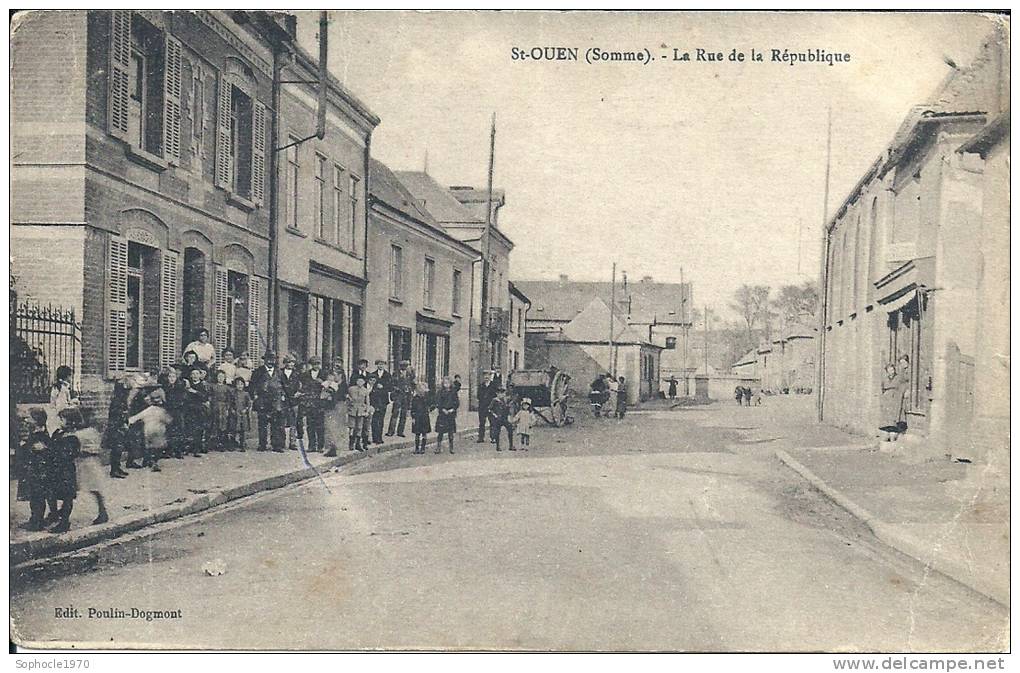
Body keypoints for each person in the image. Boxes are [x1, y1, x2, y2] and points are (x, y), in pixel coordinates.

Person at [17, 408, 54, 531]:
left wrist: (25, 446)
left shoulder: (41, 434)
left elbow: (40, 449)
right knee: (35, 496)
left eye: (29, 418)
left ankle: (37, 521)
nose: (26, 420)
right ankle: (36, 519)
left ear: (36, 420)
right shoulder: (37, 432)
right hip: (35, 470)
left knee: (37, 496)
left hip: (39, 471)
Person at [250, 351, 287, 452]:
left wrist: (283, 396)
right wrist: (255, 397)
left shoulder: (280, 372)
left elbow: (285, 386)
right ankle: (262, 444)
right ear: (264, 360)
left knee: (276, 424)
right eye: (269, 359)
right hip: (263, 401)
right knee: (262, 424)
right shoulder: (258, 372)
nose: (271, 361)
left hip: (276, 402)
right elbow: (251, 387)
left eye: (273, 359)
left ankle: (276, 445)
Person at [128, 389, 171, 472]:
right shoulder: (161, 411)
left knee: (151, 448)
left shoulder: (149, 410)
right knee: (157, 448)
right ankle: (153, 463)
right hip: (158, 432)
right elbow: (168, 420)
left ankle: (149, 461)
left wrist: (130, 421)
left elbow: (136, 417)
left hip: (149, 431)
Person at [322, 357, 348, 457]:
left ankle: (336, 447)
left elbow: (342, 395)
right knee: (330, 427)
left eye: (335, 375)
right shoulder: (331, 384)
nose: (334, 377)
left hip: (339, 406)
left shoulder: (342, 384)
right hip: (331, 406)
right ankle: (331, 447)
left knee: (336, 427)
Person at [299, 357, 326, 453]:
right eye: (314, 364)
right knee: (310, 425)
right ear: (311, 364)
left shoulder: (325, 374)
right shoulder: (305, 375)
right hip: (309, 403)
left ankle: (320, 446)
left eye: (318, 363)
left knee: (320, 425)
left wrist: (323, 383)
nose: (316, 366)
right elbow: (302, 387)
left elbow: (331, 386)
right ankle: (311, 446)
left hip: (320, 404)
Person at [160, 366, 187, 459]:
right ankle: (168, 450)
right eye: (170, 377)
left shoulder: (180, 387)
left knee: (179, 431)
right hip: (168, 411)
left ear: (176, 378)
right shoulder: (165, 387)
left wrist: (177, 405)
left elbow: (182, 399)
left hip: (178, 411)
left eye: (173, 377)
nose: (171, 379)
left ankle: (178, 451)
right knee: (168, 430)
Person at [386, 360, 414, 438]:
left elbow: (412, 383)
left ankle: (400, 431)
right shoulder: (396, 374)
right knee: (395, 413)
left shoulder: (410, 374)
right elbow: (391, 384)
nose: (404, 368)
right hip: (398, 396)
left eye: (406, 366)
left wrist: (410, 390)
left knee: (403, 414)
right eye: (403, 366)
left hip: (406, 396)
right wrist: (396, 389)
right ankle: (391, 431)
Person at [879, 362, 907, 441]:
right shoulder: (885, 379)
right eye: (890, 370)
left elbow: (903, 386)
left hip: (895, 396)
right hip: (887, 398)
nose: (892, 371)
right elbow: (882, 388)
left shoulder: (898, 378)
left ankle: (894, 429)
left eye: (893, 369)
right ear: (887, 371)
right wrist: (884, 396)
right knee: (887, 414)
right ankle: (887, 429)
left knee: (895, 413)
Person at [207, 368, 233, 452]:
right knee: (214, 424)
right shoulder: (213, 386)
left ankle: (222, 444)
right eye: (219, 376)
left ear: (225, 378)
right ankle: (214, 443)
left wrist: (227, 409)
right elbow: (210, 396)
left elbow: (229, 399)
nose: (220, 378)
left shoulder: (227, 388)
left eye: (222, 377)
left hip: (223, 407)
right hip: (214, 407)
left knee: (223, 425)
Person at [280, 355, 302, 450]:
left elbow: (301, 385)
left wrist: (299, 392)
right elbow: (278, 384)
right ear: (285, 363)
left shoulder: (297, 374)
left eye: (293, 362)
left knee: (293, 422)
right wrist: (281, 394)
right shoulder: (280, 373)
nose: (291, 364)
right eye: (289, 362)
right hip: (283, 400)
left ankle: (292, 442)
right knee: (282, 421)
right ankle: (282, 442)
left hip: (294, 400)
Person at [47, 365, 78, 434]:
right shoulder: (62, 389)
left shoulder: (59, 387)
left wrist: (71, 402)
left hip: (54, 420)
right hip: (58, 422)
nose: (71, 378)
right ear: (66, 376)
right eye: (70, 376)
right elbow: (62, 408)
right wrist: (74, 406)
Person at [434, 376, 459, 454]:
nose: (446, 384)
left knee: (450, 432)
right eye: (445, 383)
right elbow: (438, 402)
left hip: (450, 414)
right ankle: (438, 447)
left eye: (448, 383)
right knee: (440, 432)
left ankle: (451, 448)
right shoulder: (440, 392)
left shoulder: (454, 392)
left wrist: (453, 409)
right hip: (442, 414)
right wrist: (442, 409)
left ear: (451, 384)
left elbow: (457, 402)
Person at [346, 376, 371, 452]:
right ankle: (351, 443)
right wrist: (348, 407)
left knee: (359, 428)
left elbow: (367, 402)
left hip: (361, 411)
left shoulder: (365, 391)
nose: (360, 383)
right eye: (358, 381)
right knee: (352, 427)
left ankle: (358, 444)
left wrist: (367, 411)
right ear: (356, 381)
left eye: (362, 381)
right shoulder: (351, 389)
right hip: (352, 410)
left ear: (364, 382)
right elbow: (347, 400)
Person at [228, 377, 253, 451]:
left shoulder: (246, 394)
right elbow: (230, 403)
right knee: (233, 429)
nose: (240, 386)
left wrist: (245, 410)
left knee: (242, 430)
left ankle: (242, 445)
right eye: (238, 384)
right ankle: (232, 445)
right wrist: (232, 410)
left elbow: (249, 404)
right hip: (235, 414)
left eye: (241, 384)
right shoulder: (233, 393)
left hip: (243, 414)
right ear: (235, 385)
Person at [487, 387, 515, 452]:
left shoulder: (504, 400)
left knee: (510, 429)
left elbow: (506, 409)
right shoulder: (494, 400)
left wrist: (508, 408)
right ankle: (498, 446)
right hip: (498, 419)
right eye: (500, 393)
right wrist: (495, 415)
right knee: (497, 432)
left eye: (503, 393)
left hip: (504, 418)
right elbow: (489, 409)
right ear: (497, 394)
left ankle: (511, 445)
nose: (501, 395)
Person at [410, 382, 433, 455]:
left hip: (424, 417)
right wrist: (413, 418)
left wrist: (430, 409)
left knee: (424, 433)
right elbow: (413, 409)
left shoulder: (427, 398)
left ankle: (423, 448)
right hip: (417, 418)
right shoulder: (415, 398)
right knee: (417, 434)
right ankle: (417, 448)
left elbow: (433, 404)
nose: (422, 391)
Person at [369, 374, 390, 448]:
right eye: (371, 380)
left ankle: (379, 438)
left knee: (380, 422)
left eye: (374, 380)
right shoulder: (369, 388)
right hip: (373, 407)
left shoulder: (380, 388)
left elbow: (385, 397)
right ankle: (375, 438)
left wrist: (383, 406)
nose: (373, 382)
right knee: (374, 422)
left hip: (380, 407)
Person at [477, 371, 497, 443]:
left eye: (488, 375)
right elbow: (478, 396)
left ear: (490, 376)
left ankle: (493, 438)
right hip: (482, 406)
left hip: (491, 406)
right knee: (482, 422)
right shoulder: (481, 386)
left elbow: (495, 396)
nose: (486, 377)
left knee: (492, 422)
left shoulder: (494, 385)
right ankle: (481, 438)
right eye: (485, 376)